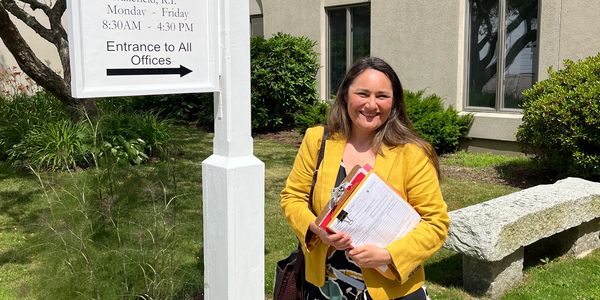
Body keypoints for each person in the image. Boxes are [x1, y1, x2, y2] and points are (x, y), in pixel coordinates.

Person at [280, 57, 449, 300]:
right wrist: (316, 228)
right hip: (326, 287)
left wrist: (389, 255)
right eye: (363, 93)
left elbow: (435, 223)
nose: (371, 104)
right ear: (346, 95)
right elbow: (292, 197)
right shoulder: (318, 141)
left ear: (394, 102)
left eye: (382, 96)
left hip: (391, 291)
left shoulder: (412, 153)